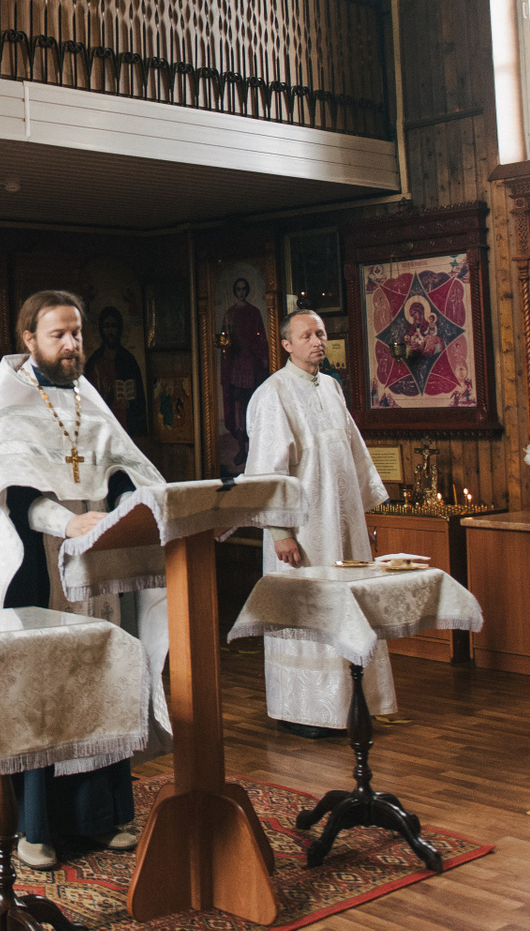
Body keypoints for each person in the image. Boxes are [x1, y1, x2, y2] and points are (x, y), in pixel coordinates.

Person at [0, 290, 166, 871]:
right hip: (38, 567)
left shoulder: (87, 397)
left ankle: (99, 816)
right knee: (43, 688)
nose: (72, 344)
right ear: (29, 339)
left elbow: (123, 467)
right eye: (59, 335)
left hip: (97, 565)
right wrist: (66, 521)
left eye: (76, 333)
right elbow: (12, 494)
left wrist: (125, 507)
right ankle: (35, 824)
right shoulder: (10, 404)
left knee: (101, 676)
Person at [246, 308, 395, 738]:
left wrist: (359, 517)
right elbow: (267, 471)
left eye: (321, 333)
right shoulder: (272, 394)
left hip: (342, 526)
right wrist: (280, 532)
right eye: (306, 335)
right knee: (307, 611)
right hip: (305, 530)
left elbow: (353, 454)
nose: (317, 341)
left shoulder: (330, 387)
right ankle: (303, 711)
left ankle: (350, 705)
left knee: (347, 607)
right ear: (287, 345)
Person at [219, 277, 268, 469]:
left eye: (244, 289)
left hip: (251, 365)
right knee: (238, 409)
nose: (241, 292)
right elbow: (224, 342)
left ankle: (254, 451)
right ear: (235, 291)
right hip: (236, 366)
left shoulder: (254, 312)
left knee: (252, 407)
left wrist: (261, 358)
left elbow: (260, 338)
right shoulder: (229, 314)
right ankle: (242, 449)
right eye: (238, 289)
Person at [83, 306, 147, 436]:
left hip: (124, 422)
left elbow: (139, 400)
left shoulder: (128, 360)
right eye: (107, 326)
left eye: (114, 326)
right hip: (102, 423)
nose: (110, 331)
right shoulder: (95, 361)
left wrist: (129, 403)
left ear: (119, 328)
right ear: (101, 329)